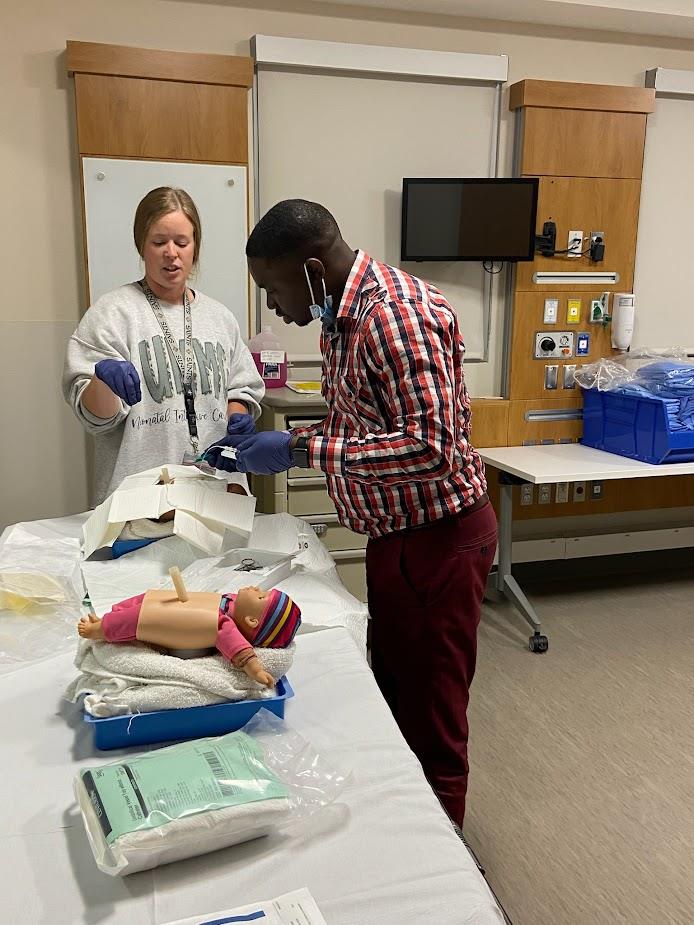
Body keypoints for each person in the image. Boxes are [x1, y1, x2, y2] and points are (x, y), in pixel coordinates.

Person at [205, 199, 498, 827]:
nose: (274, 307)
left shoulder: (394, 317)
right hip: (398, 537)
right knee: (391, 697)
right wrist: (270, 439)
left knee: (433, 714)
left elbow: (431, 450)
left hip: (439, 539)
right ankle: (404, 825)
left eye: (272, 287)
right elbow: (369, 423)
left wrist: (298, 447)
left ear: (311, 270)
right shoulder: (344, 319)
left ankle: (441, 865)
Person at [63, 186, 264, 506]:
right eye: (159, 242)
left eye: (182, 242)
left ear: (195, 247)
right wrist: (101, 380)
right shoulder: (113, 313)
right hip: (138, 498)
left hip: (216, 492)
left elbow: (240, 389)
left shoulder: (220, 318)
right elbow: (96, 417)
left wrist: (237, 414)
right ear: (141, 245)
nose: (171, 252)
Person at [78, 585, 301, 689]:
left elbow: (242, 652)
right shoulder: (231, 601)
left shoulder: (224, 626)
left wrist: (257, 671)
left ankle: (99, 630)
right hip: (169, 602)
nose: (256, 588)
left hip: (169, 620)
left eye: (261, 596)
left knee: (135, 618)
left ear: (252, 621)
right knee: (142, 599)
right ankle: (107, 618)